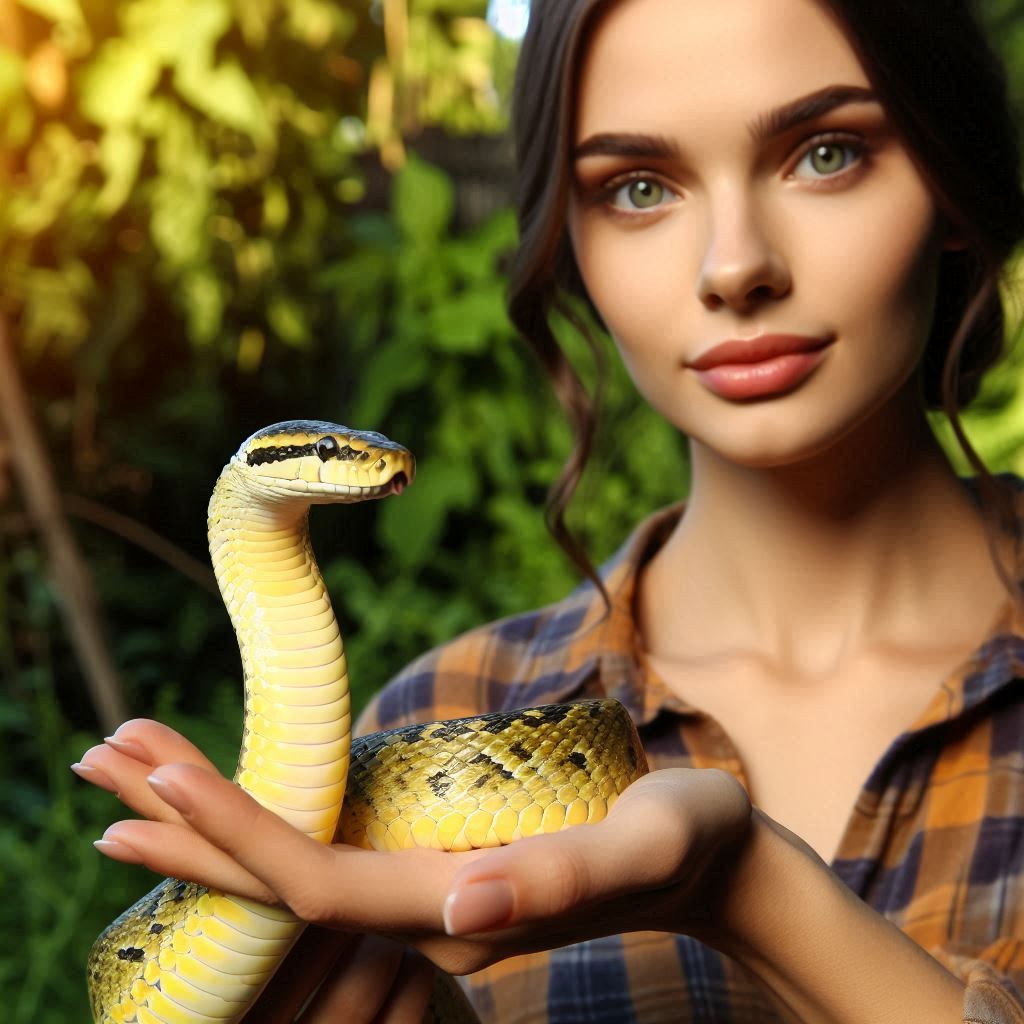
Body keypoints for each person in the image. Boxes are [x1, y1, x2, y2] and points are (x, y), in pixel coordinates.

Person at [73, 0, 1024, 1020]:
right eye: (639, 187)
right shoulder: (427, 721)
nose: (736, 267)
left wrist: (747, 893)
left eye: (827, 152)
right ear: (566, 245)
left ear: (951, 181)